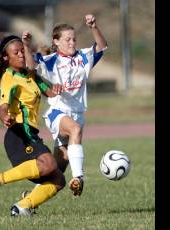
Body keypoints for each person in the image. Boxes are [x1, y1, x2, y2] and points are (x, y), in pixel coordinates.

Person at [24, 14, 108, 197]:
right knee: (75, 129)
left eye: (74, 39)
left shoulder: (84, 57)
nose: (72, 43)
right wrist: (26, 45)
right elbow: (30, 66)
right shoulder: (51, 60)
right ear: (57, 41)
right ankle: (79, 178)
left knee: (58, 170)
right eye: (67, 39)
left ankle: (29, 198)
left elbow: (102, 46)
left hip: (77, 113)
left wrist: (94, 27)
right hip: (58, 113)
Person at [0, 34, 65, 217]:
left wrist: (57, 88)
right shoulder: (9, 77)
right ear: (6, 57)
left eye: (22, 51)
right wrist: (5, 117)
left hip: (30, 134)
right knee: (49, 164)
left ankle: (22, 207)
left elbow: (49, 92)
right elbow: (2, 107)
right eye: (16, 52)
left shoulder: (30, 75)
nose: (20, 55)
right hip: (18, 133)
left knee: (58, 179)